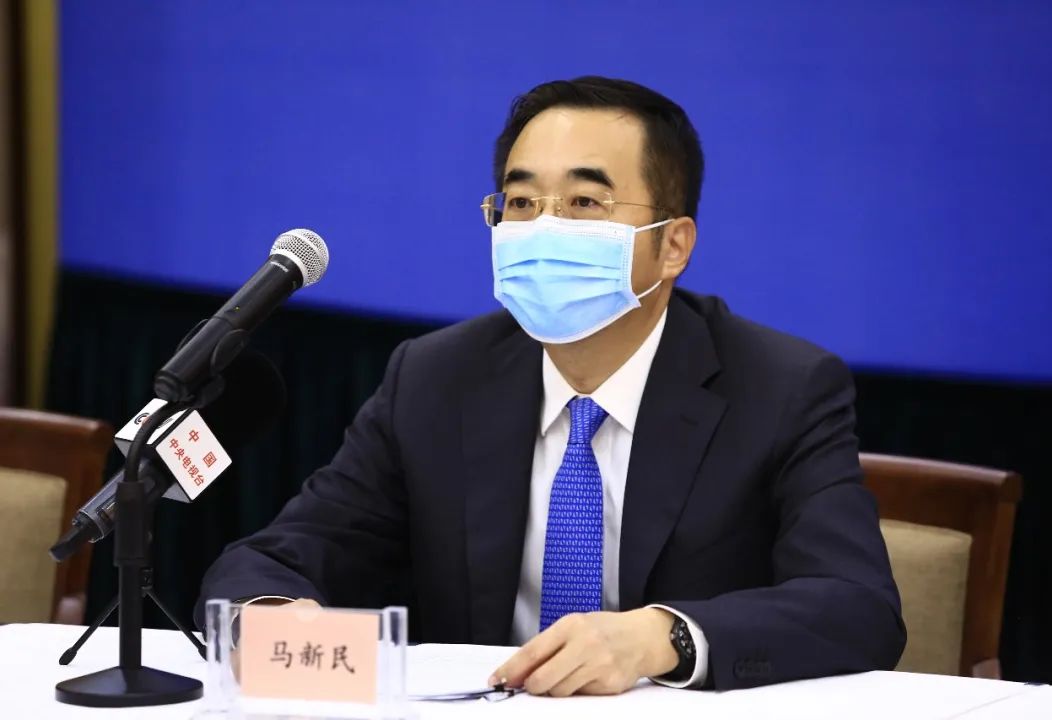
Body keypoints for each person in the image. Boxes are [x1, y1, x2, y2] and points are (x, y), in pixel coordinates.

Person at [197, 76, 905, 695]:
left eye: (585, 202)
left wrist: (663, 637)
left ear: (673, 245)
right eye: (520, 202)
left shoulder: (781, 389)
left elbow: (857, 606)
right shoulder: (436, 379)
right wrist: (273, 617)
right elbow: (273, 557)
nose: (543, 229)